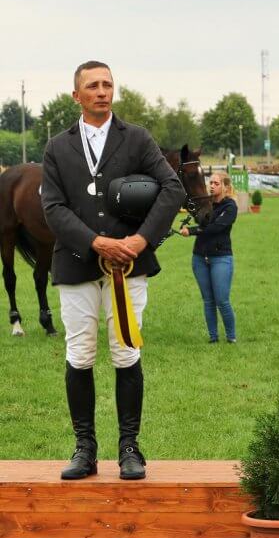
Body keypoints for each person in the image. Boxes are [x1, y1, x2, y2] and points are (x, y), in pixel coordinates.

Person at [40, 60, 185, 481]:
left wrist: (140, 241)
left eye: (107, 84)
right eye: (92, 86)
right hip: (77, 263)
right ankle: (84, 448)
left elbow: (172, 188)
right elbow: (53, 207)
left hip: (129, 267)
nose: (102, 91)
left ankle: (129, 448)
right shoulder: (56, 147)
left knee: (126, 351)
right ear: (77, 95)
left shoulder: (136, 138)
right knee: (80, 354)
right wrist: (94, 241)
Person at [180, 172, 238, 343]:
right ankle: (213, 337)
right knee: (208, 300)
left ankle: (231, 337)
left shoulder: (230, 207)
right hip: (199, 258)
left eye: (216, 183)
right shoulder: (206, 205)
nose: (211, 186)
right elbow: (200, 220)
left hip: (221, 258)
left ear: (225, 186)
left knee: (222, 300)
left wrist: (191, 231)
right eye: (210, 182)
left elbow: (215, 228)